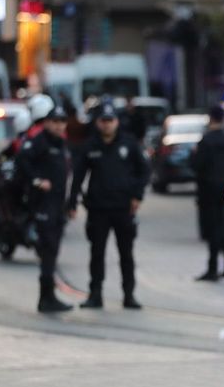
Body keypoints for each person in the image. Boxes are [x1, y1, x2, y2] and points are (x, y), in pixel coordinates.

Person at [67, 102, 150, 309]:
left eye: (110, 121)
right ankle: (95, 294)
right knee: (97, 253)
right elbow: (78, 176)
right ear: (97, 123)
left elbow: (144, 171)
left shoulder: (128, 144)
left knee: (126, 254)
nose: (106, 125)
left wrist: (137, 196)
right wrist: (72, 202)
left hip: (123, 208)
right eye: (103, 121)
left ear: (116, 122)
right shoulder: (90, 146)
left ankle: (128, 295)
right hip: (98, 208)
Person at [17, 105, 73, 314]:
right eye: (55, 122)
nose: (59, 126)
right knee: (48, 249)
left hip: (58, 204)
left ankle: (49, 296)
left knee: (53, 250)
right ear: (47, 123)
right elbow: (22, 159)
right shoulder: (39, 141)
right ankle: (45, 297)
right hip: (43, 204)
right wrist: (37, 180)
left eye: (62, 122)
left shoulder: (61, 143)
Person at [191, 105, 224, 280]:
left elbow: (197, 165)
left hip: (207, 189)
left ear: (210, 118)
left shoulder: (205, 140)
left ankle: (213, 268)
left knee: (212, 228)